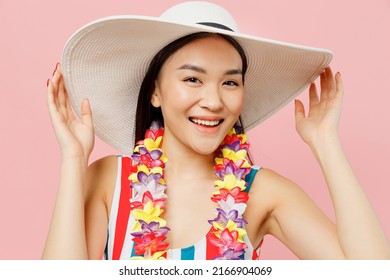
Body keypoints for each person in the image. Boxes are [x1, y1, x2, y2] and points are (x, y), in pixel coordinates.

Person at [42, 1, 390, 260]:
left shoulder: (263, 192)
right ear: (156, 91)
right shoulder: (108, 181)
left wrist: (326, 143)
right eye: (192, 78)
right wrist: (73, 160)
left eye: (229, 82)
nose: (213, 101)